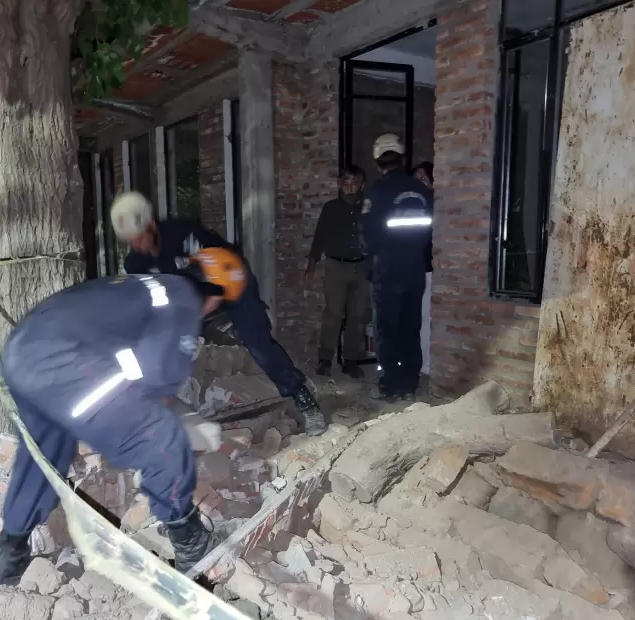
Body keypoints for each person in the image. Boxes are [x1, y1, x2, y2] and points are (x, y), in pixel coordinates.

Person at [0, 247, 247, 588]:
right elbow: (157, 373)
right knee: (163, 438)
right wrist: (172, 421)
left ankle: (10, 554)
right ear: (216, 296)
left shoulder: (142, 286)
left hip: (20, 355)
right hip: (62, 364)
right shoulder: (182, 299)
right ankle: (193, 549)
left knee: (44, 453)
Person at [113, 192, 328, 437]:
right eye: (131, 241)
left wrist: (199, 314)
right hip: (192, 298)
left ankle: (302, 398)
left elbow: (219, 282)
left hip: (232, 281)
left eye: (140, 237)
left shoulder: (182, 234)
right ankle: (163, 416)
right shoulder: (136, 263)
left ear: (151, 224)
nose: (137, 245)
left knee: (257, 343)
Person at [362, 134, 434, 402]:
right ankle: (410, 383)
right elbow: (429, 232)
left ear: (378, 162)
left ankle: (391, 385)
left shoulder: (378, 191)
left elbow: (368, 235)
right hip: (415, 267)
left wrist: (371, 255)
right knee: (410, 327)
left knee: (386, 329)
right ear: (402, 158)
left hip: (388, 268)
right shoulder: (422, 191)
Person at [306, 166, 370, 379]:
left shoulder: (369, 206)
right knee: (333, 314)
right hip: (336, 266)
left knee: (357, 316)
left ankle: (350, 361)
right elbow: (320, 236)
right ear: (339, 184)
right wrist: (312, 264)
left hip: (362, 267)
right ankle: (325, 359)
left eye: (354, 182)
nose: (349, 186)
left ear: (361, 184)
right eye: (345, 182)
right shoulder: (331, 208)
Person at [412, 162, 435, 275]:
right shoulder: (411, 205)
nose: (418, 184)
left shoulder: (436, 205)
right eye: (415, 180)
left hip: (429, 265)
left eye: (423, 179)